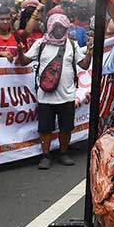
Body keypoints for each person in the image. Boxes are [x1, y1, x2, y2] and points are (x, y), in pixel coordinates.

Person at [16, 12, 92, 169]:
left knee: (66, 127)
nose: (58, 30)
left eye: (61, 27)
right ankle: (45, 156)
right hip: (45, 96)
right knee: (45, 128)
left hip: (67, 95)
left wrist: (90, 52)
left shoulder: (72, 44)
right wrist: (19, 51)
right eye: (56, 27)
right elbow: (24, 62)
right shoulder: (40, 44)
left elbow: (83, 65)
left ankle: (63, 153)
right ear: (50, 27)